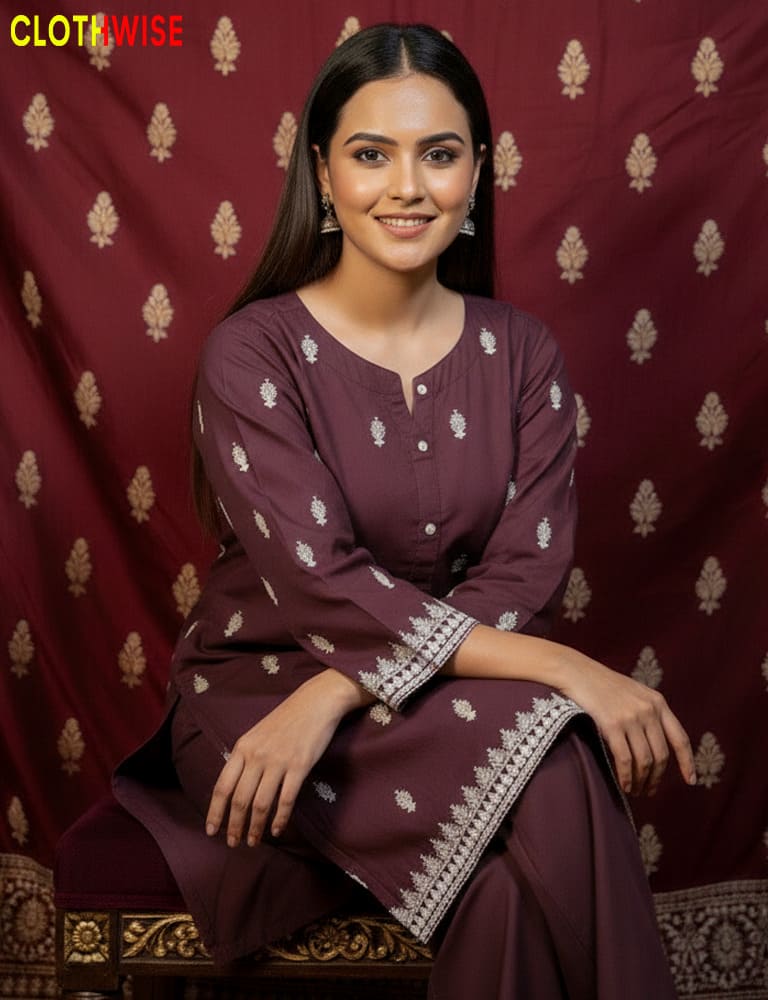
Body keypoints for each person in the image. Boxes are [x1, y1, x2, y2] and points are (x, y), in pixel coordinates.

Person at [114, 22, 696, 998]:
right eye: (371, 154)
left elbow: (523, 576)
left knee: (514, 890)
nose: (407, 187)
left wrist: (337, 690)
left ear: (477, 172)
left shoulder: (523, 356)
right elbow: (325, 585)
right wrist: (567, 667)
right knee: (554, 745)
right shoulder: (254, 353)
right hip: (262, 701)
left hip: (354, 702)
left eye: (439, 154)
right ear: (323, 173)